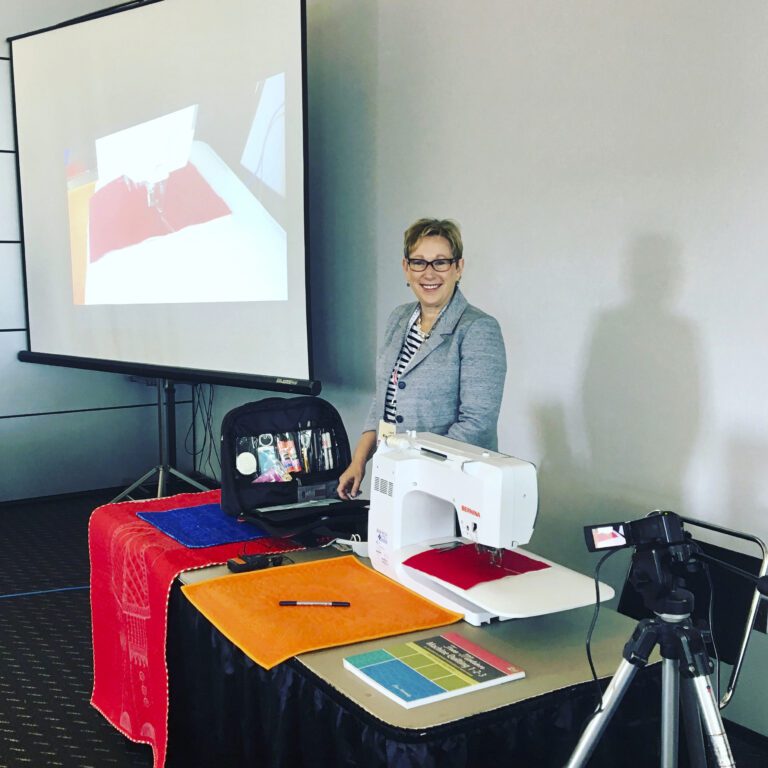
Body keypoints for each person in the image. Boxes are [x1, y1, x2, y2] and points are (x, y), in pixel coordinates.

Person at [337, 217, 506, 500]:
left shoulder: (478, 328)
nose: (429, 273)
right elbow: (384, 397)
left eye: (440, 262)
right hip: (395, 474)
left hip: (450, 485)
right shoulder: (398, 318)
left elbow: (477, 424)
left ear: (458, 268)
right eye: (419, 262)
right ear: (406, 267)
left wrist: (417, 469)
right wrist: (359, 461)